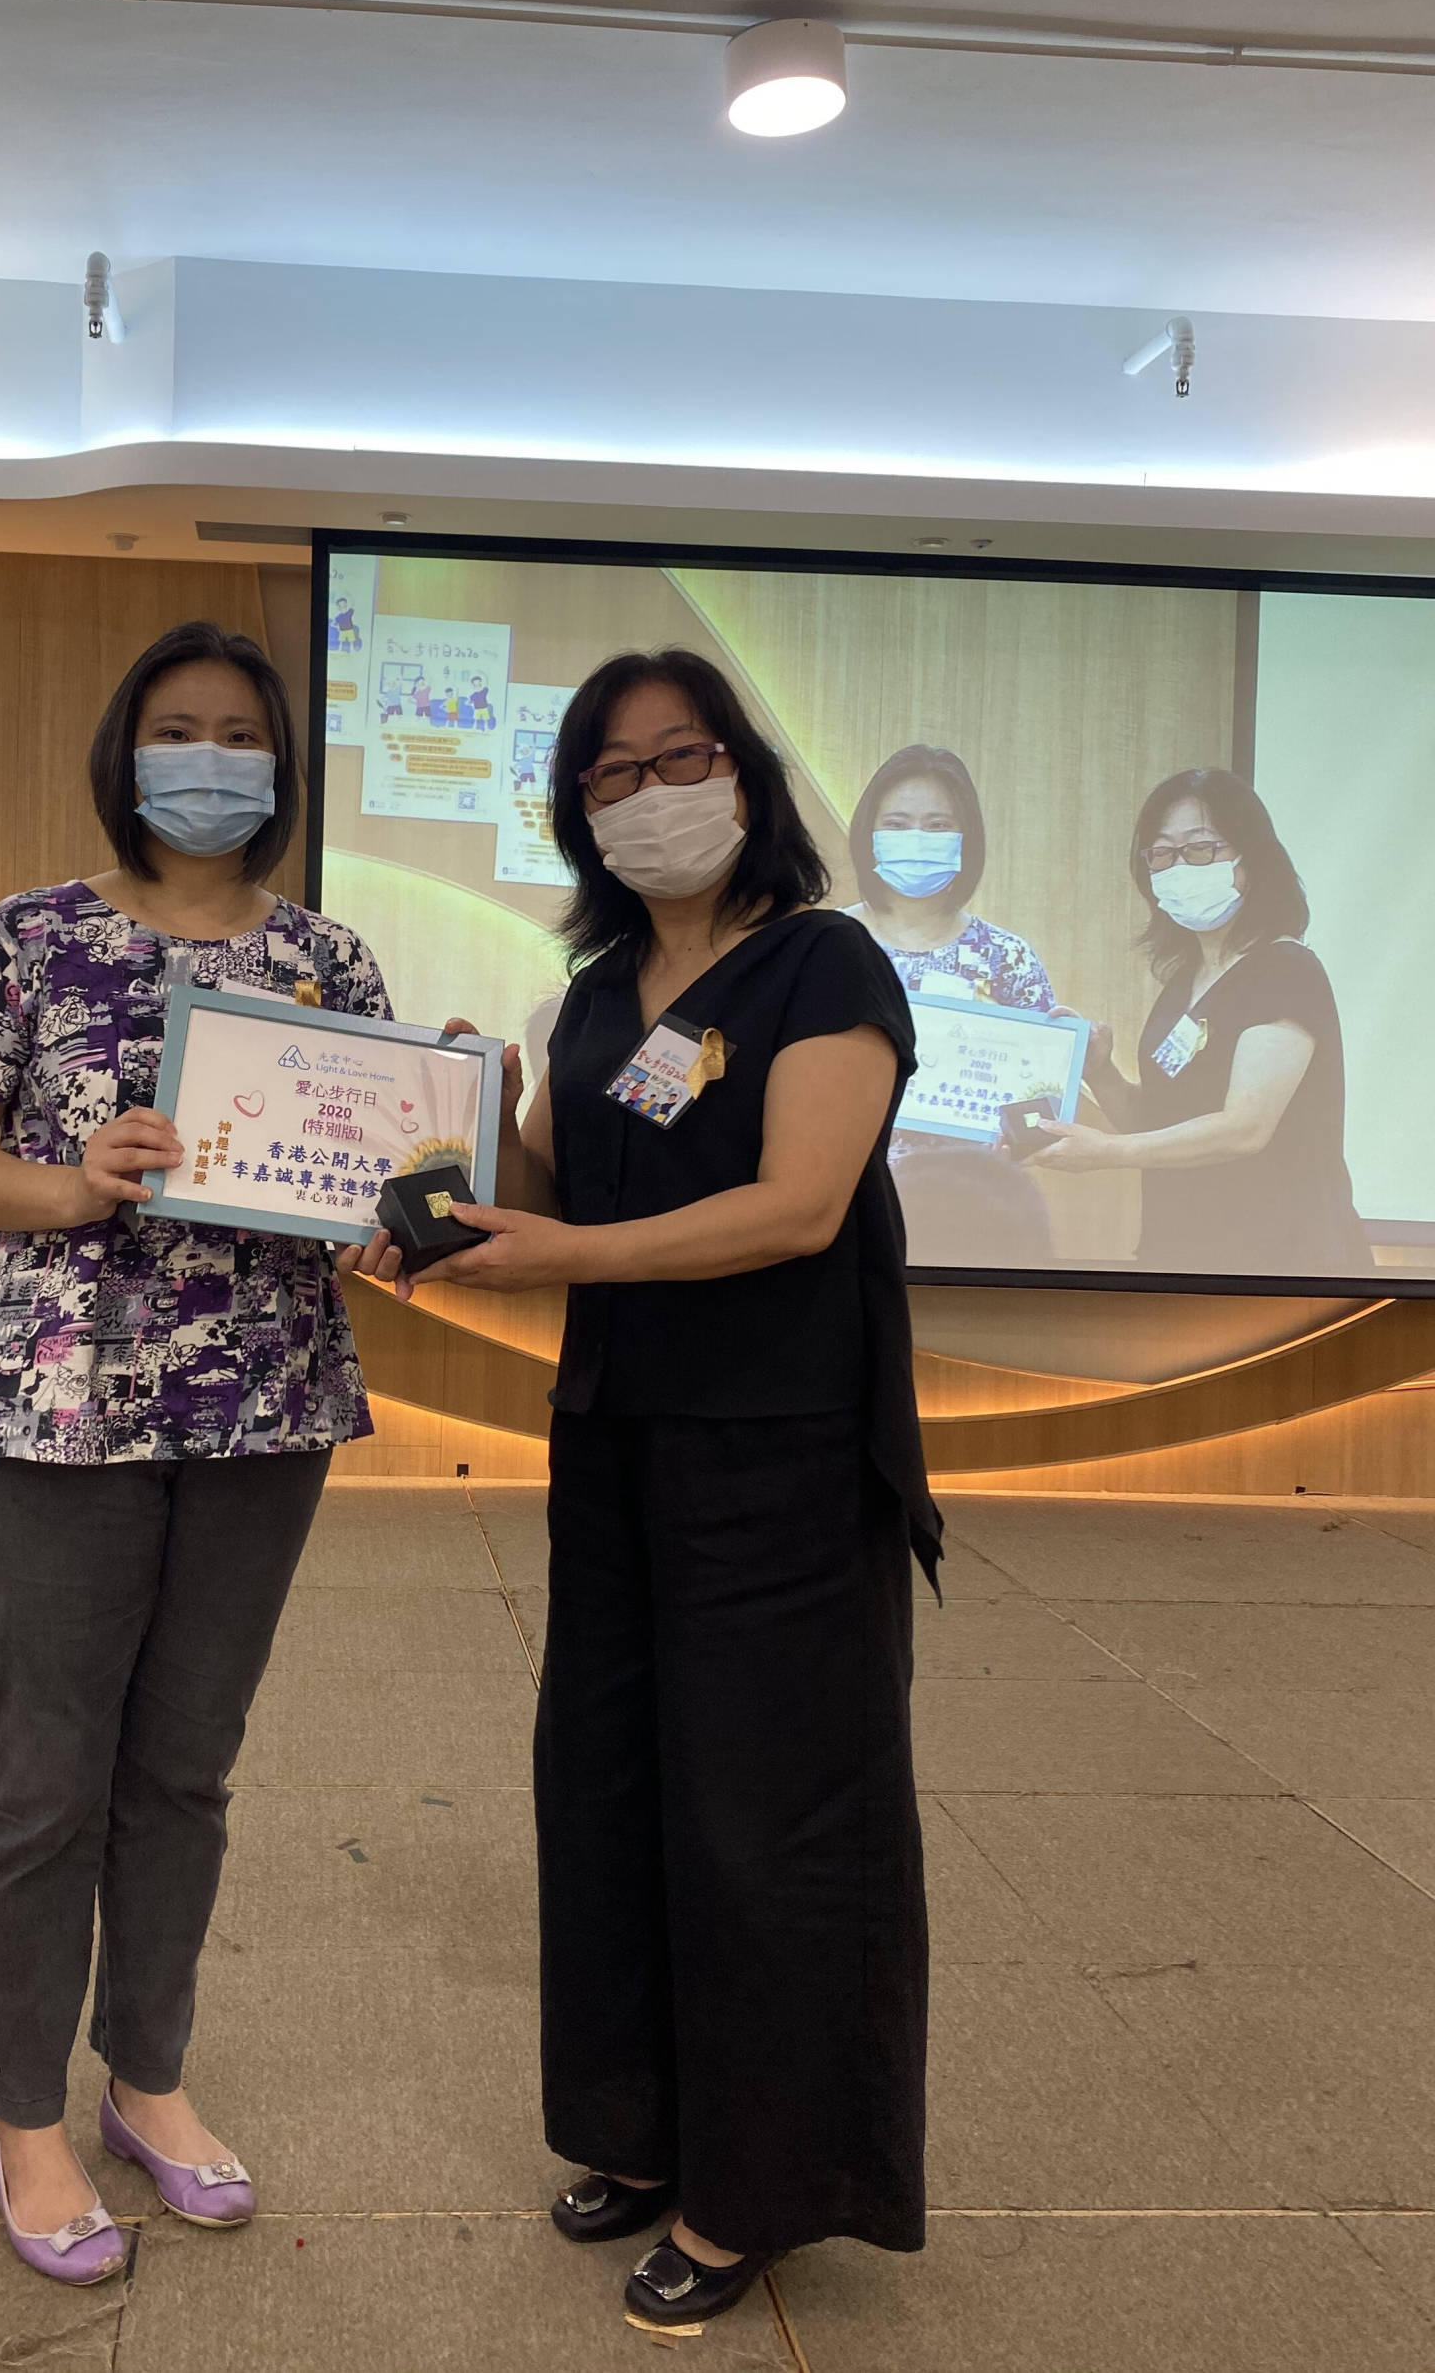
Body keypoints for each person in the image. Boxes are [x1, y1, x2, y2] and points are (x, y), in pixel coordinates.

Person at [361, 646, 941, 2332]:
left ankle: (755, 2182)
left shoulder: (825, 965)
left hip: (784, 1448)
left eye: (679, 757)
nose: (649, 794)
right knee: (612, 1790)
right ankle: (640, 2123)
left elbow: (798, 1205)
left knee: (769, 1818)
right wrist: (465, 1122)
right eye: (610, 775)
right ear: (579, 814)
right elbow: (544, 1192)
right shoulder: (599, 992)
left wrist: (564, 1251)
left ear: (743, 774)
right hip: (617, 1438)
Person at [0, 619, 395, 2288]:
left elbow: (370, 1175)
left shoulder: (328, 961)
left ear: (281, 766)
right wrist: (71, 1181)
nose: (211, 757)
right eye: (180, 727)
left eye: (242, 732)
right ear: (127, 750)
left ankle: (149, 2076)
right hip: (55, 1399)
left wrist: (410, 1192)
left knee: (186, 1763)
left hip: (264, 1402)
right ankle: (25, 2114)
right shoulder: (23, 937)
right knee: (51, 1768)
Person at [1033, 766, 1367, 1274]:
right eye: (1162, 853)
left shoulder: (1286, 969)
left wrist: (1108, 1152)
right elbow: (1158, 1121)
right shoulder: (1185, 983)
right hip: (1180, 1253)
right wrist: (1101, 1072)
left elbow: (1245, 1128)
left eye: (1200, 848)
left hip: (1278, 1263)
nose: (1178, 867)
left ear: (1251, 859)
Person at [843, 742, 1054, 1011]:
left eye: (938, 825)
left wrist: (1071, 1035)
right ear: (868, 833)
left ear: (967, 838)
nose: (917, 840)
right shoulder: (823, 942)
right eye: (896, 824)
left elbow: (1041, 1037)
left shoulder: (1008, 957)